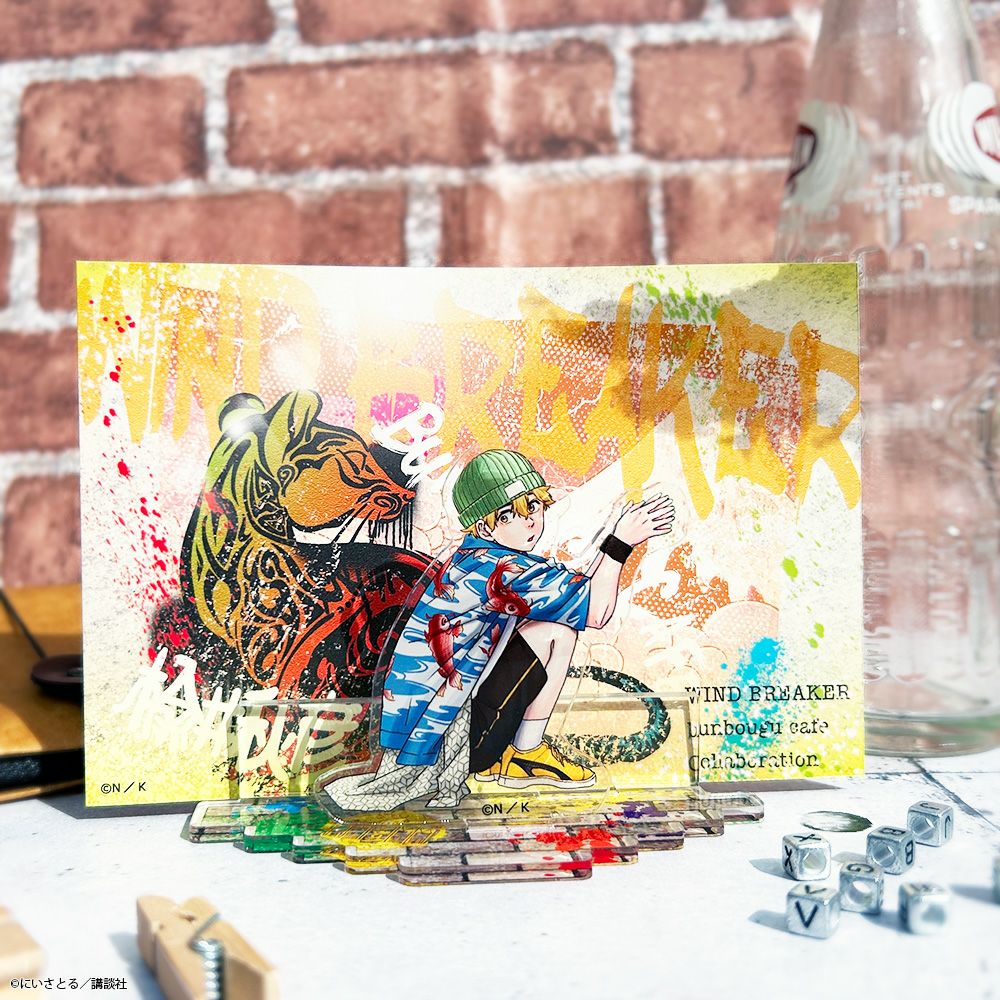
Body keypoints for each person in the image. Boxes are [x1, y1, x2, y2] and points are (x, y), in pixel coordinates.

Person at [318, 449, 674, 812]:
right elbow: (596, 612)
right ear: (486, 527)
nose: (530, 521)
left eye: (533, 506)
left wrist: (614, 541)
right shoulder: (501, 571)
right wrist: (621, 543)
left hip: (429, 735)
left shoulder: (477, 560)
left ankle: (519, 754)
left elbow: (577, 592)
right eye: (509, 515)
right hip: (449, 745)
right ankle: (526, 752)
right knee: (557, 632)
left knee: (553, 622)